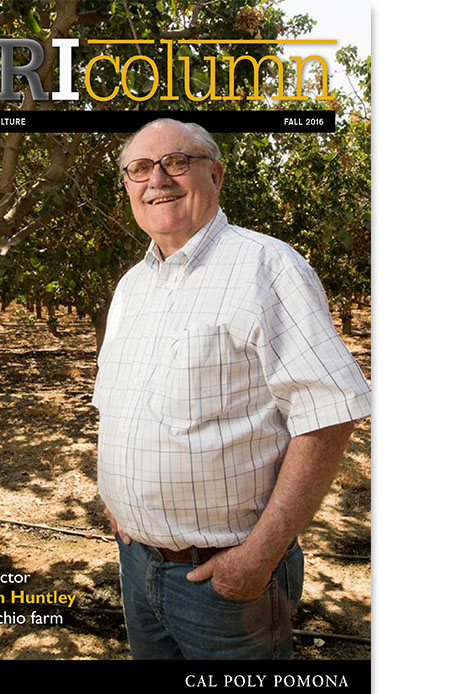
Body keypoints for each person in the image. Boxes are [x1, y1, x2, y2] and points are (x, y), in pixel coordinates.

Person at [92, 119, 371, 660]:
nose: (158, 180)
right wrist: (121, 503)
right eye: (140, 168)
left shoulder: (266, 266)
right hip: (136, 563)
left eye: (177, 162)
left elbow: (330, 413)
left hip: (225, 580)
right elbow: (118, 405)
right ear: (127, 185)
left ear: (215, 174)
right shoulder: (131, 286)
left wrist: (258, 558)